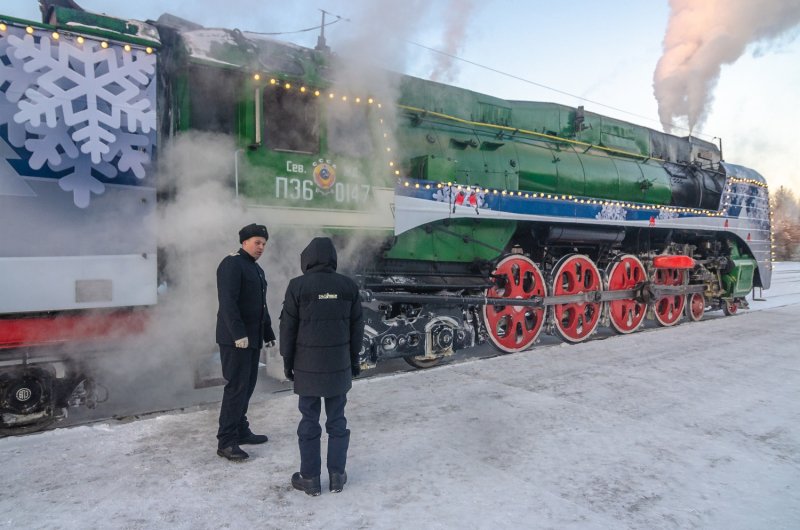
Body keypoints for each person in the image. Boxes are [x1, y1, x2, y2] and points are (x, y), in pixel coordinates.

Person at [280, 237, 364, 495]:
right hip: (338, 367)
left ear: (306, 259)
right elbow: (357, 327)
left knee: (309, 419)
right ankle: (337, 476)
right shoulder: (348, 286)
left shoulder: (297, 286)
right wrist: (353, 360)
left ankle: (310, 479)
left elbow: (288, 328)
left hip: (307, 368)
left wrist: (287, 361)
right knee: (337, 420)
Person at [215, 223, 276, 461]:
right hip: (235, 340)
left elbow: (260, 305)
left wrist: (268, 332)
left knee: (247, 386)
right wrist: (237, 334)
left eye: (264, 244)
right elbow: (228, 303)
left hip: (251, 339)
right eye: (257, 242)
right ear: (244, 242)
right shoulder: (232, 264)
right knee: (236, 387)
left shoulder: (255, 269)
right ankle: (226, 441)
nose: (261, 247)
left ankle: (240, 429)